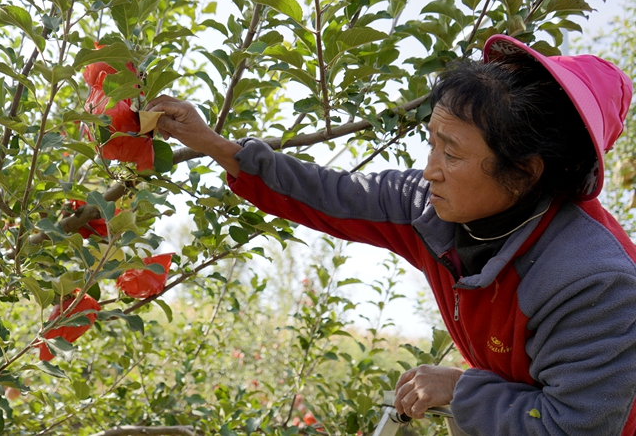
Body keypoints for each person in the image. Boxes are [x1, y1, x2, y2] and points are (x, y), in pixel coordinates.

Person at [145, 34, 636, 435]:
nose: (429, 172)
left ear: (526, 171)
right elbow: (330, 193)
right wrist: (211, 143)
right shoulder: (429, 210)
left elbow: (577, 427)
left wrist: (463, 391)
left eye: (452, 154)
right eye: (431, 145)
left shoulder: (592, 282)